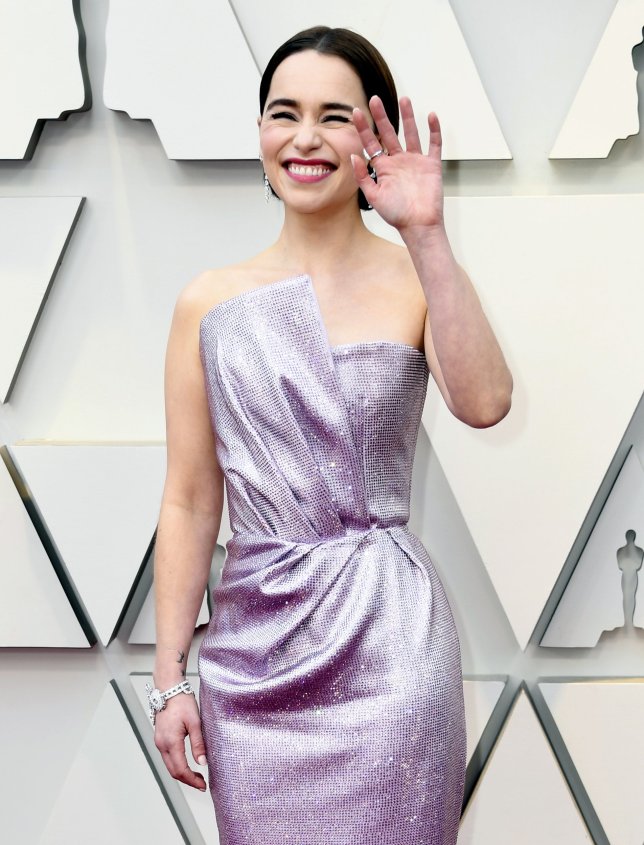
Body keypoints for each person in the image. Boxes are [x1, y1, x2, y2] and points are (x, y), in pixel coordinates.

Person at [149, 25, 512, 845]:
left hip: (389, 648)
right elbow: (189, 498)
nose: (305, 137)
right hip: (253, 657)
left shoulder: (417, 277)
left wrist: (426, 236)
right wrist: (170, 676)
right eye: (284, 113)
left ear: (371, 137)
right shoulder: (207, 302)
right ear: (260, 134)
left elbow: (486, 402)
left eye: (335, 116)